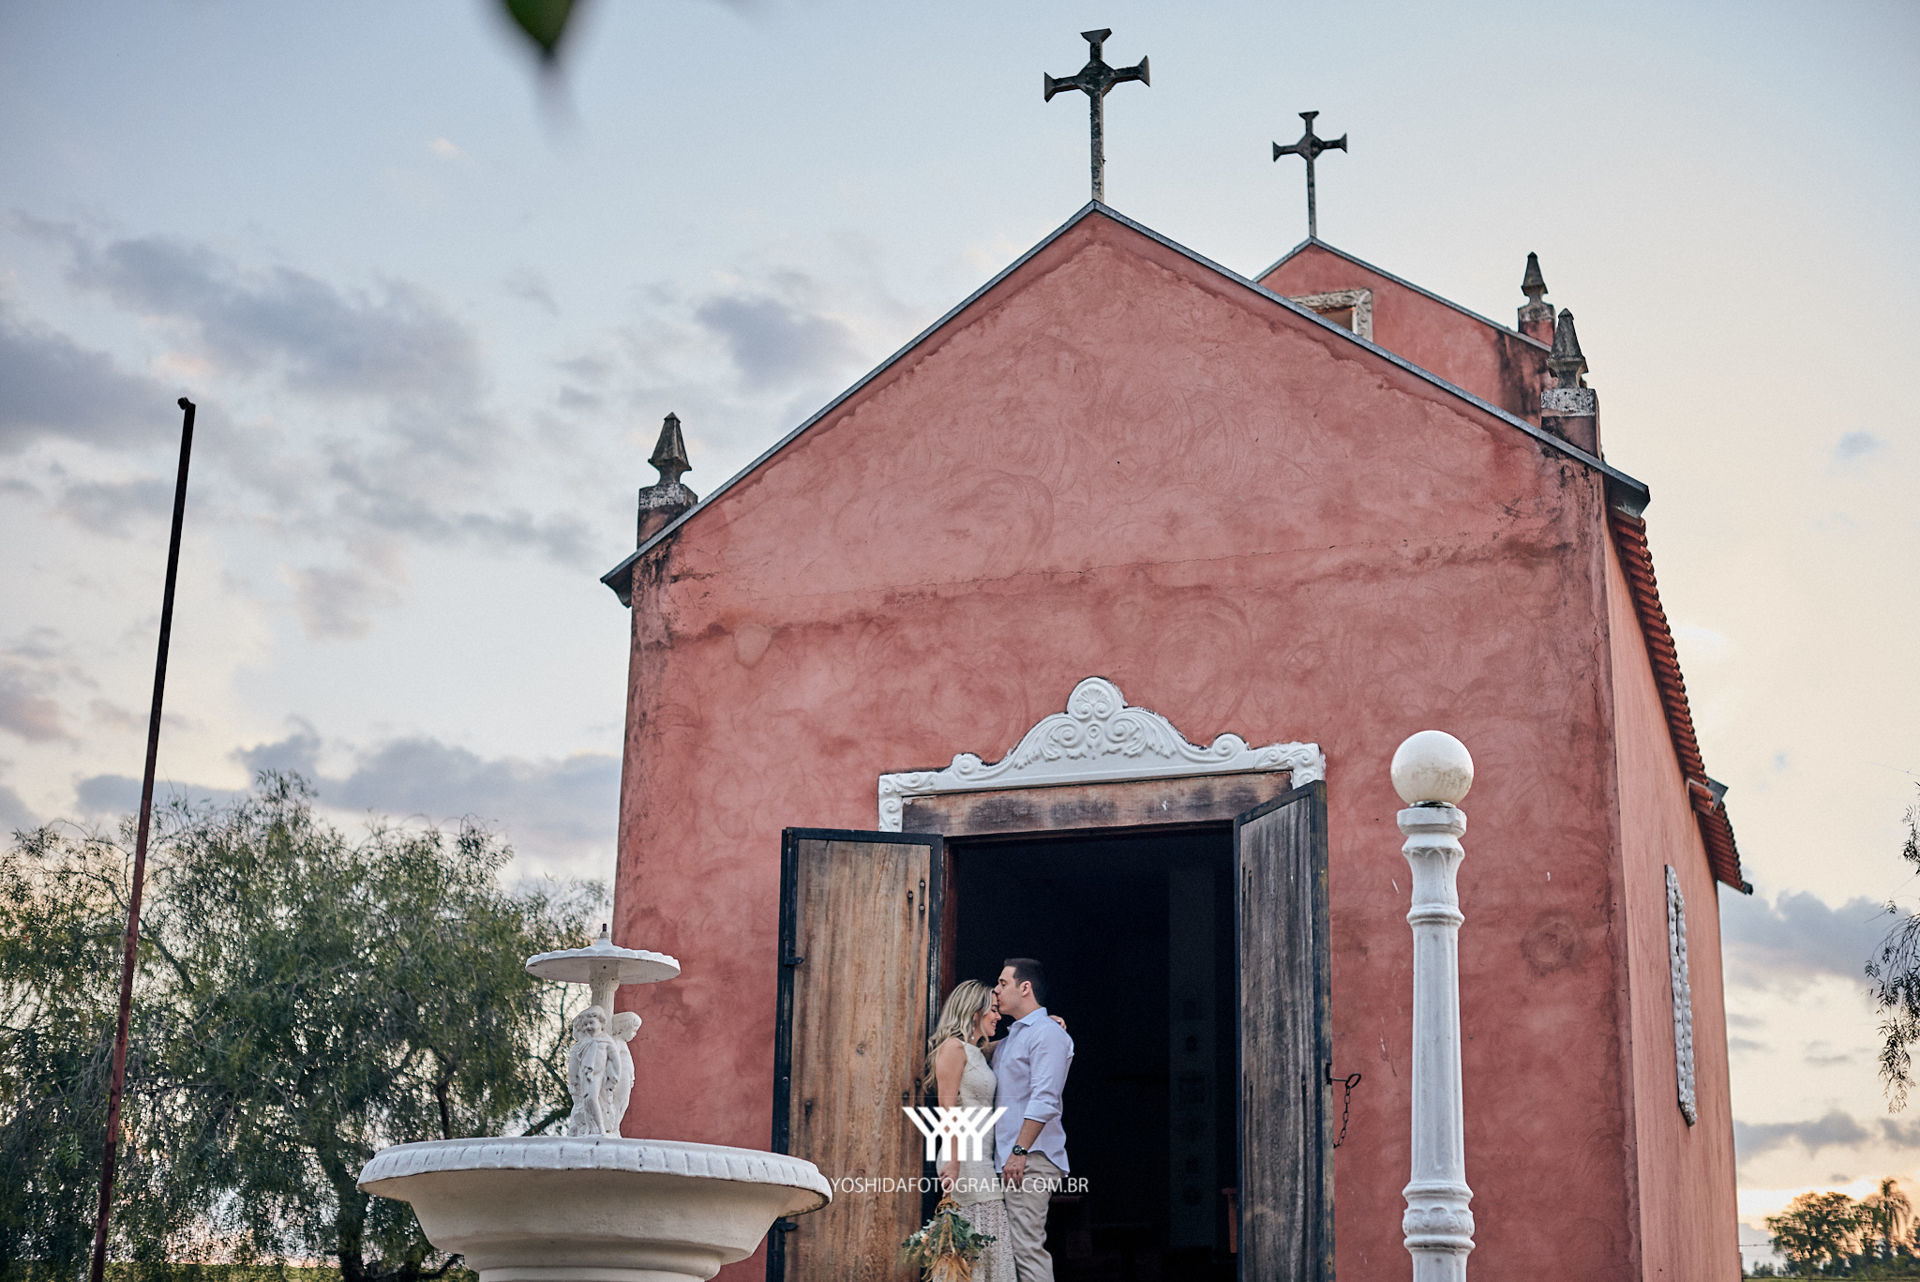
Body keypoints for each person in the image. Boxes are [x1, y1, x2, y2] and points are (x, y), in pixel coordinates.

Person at [926, 979, 1016, 1282]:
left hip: (980, 1161)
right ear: (974, 1011)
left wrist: (1047, 1029)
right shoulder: (952, 1048)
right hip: (963, 1159)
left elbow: (1005, 1047)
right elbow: (947, 1110)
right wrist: (953, 1161)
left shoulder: (976, 1051)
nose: (998, 1016)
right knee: (976, 1245)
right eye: (992, 1009)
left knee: (986, 1243)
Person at [991, 958, 1074, 1282]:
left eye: (1002, 983)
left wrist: (1020, 1151)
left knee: (1026, 1249)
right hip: (1010, 1160)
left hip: (1029, 1159)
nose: (995, 990)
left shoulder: (1046, 1034)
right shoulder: (1015, 1038)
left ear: (1025, 987)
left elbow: (1045, 1099)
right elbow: (970, 1051)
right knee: (1008, 1251)